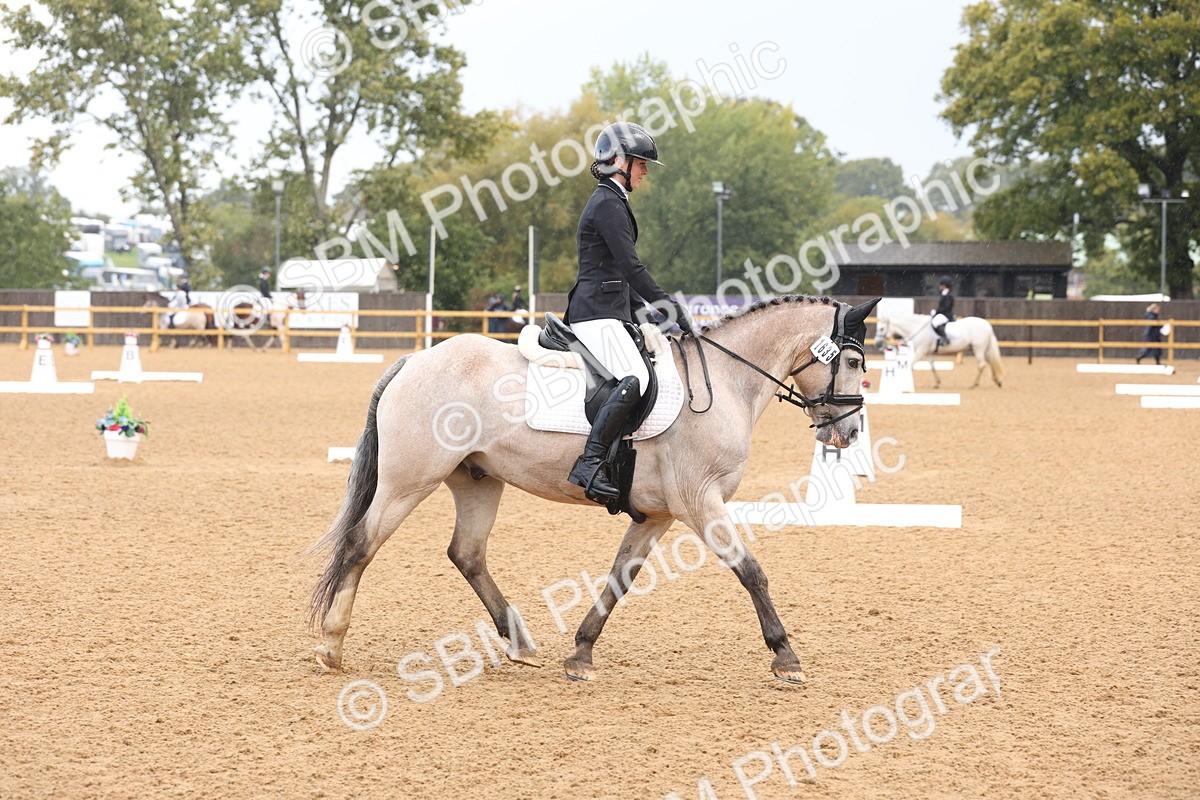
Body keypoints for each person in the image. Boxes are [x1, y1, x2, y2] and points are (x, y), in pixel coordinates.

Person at [564, 121, 694, 502]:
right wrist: (669, 306)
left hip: (611, 308)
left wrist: (647, 313)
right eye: (640, 162)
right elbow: (632, 267)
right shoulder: (606, 202)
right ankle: (589, 463)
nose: (645, 170)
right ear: (619, 161)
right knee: (634, 376)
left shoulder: (613, 200)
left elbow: (620, 273)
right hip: (594, 312)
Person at [931, 275, 955, 347]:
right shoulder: (944, 294)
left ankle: (945, 338)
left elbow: (946, 307)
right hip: (943, 314)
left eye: (940, 285)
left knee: (935, 322)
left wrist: (937, 312)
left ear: (944, 285)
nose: (939, 287)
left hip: (946, 315)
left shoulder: (948, 295)